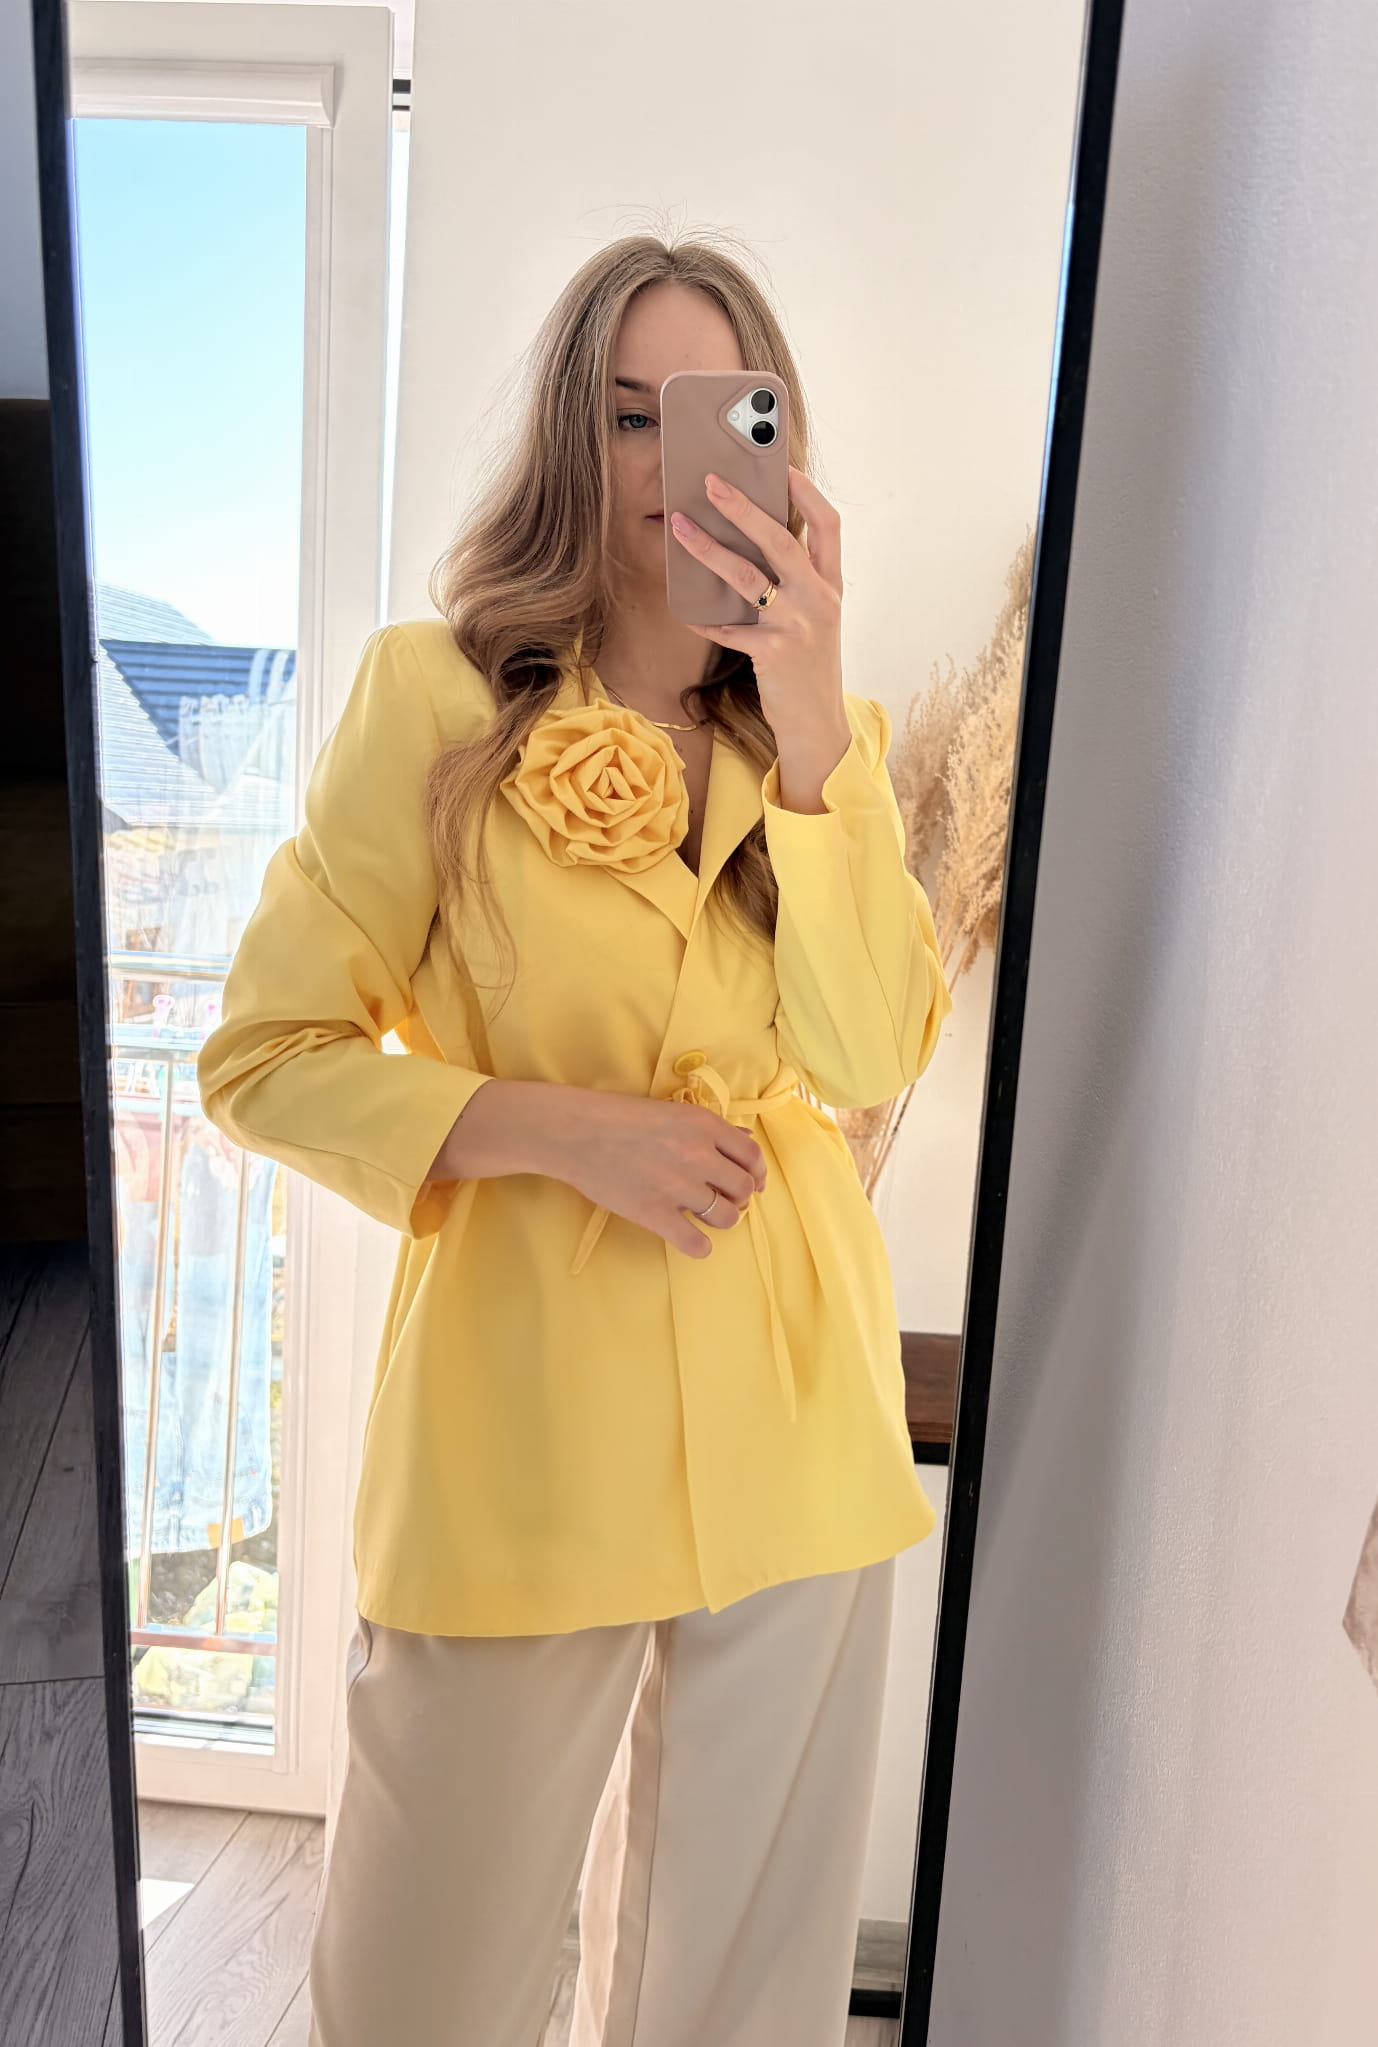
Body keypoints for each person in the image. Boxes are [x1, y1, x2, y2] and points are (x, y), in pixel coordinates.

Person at [197, 230, 953, 2047]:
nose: (668, 464)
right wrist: (551, 1130)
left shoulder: (816, 746)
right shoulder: (434, 700)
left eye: (715, 416)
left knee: (742, 2001)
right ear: (568, 436)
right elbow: (263, 1058)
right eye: (628, 417)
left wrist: (812, 719)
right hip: (521, 1421)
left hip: (791, 1403)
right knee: (424, 1987)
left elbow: (864, 1047)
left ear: (776, 444)